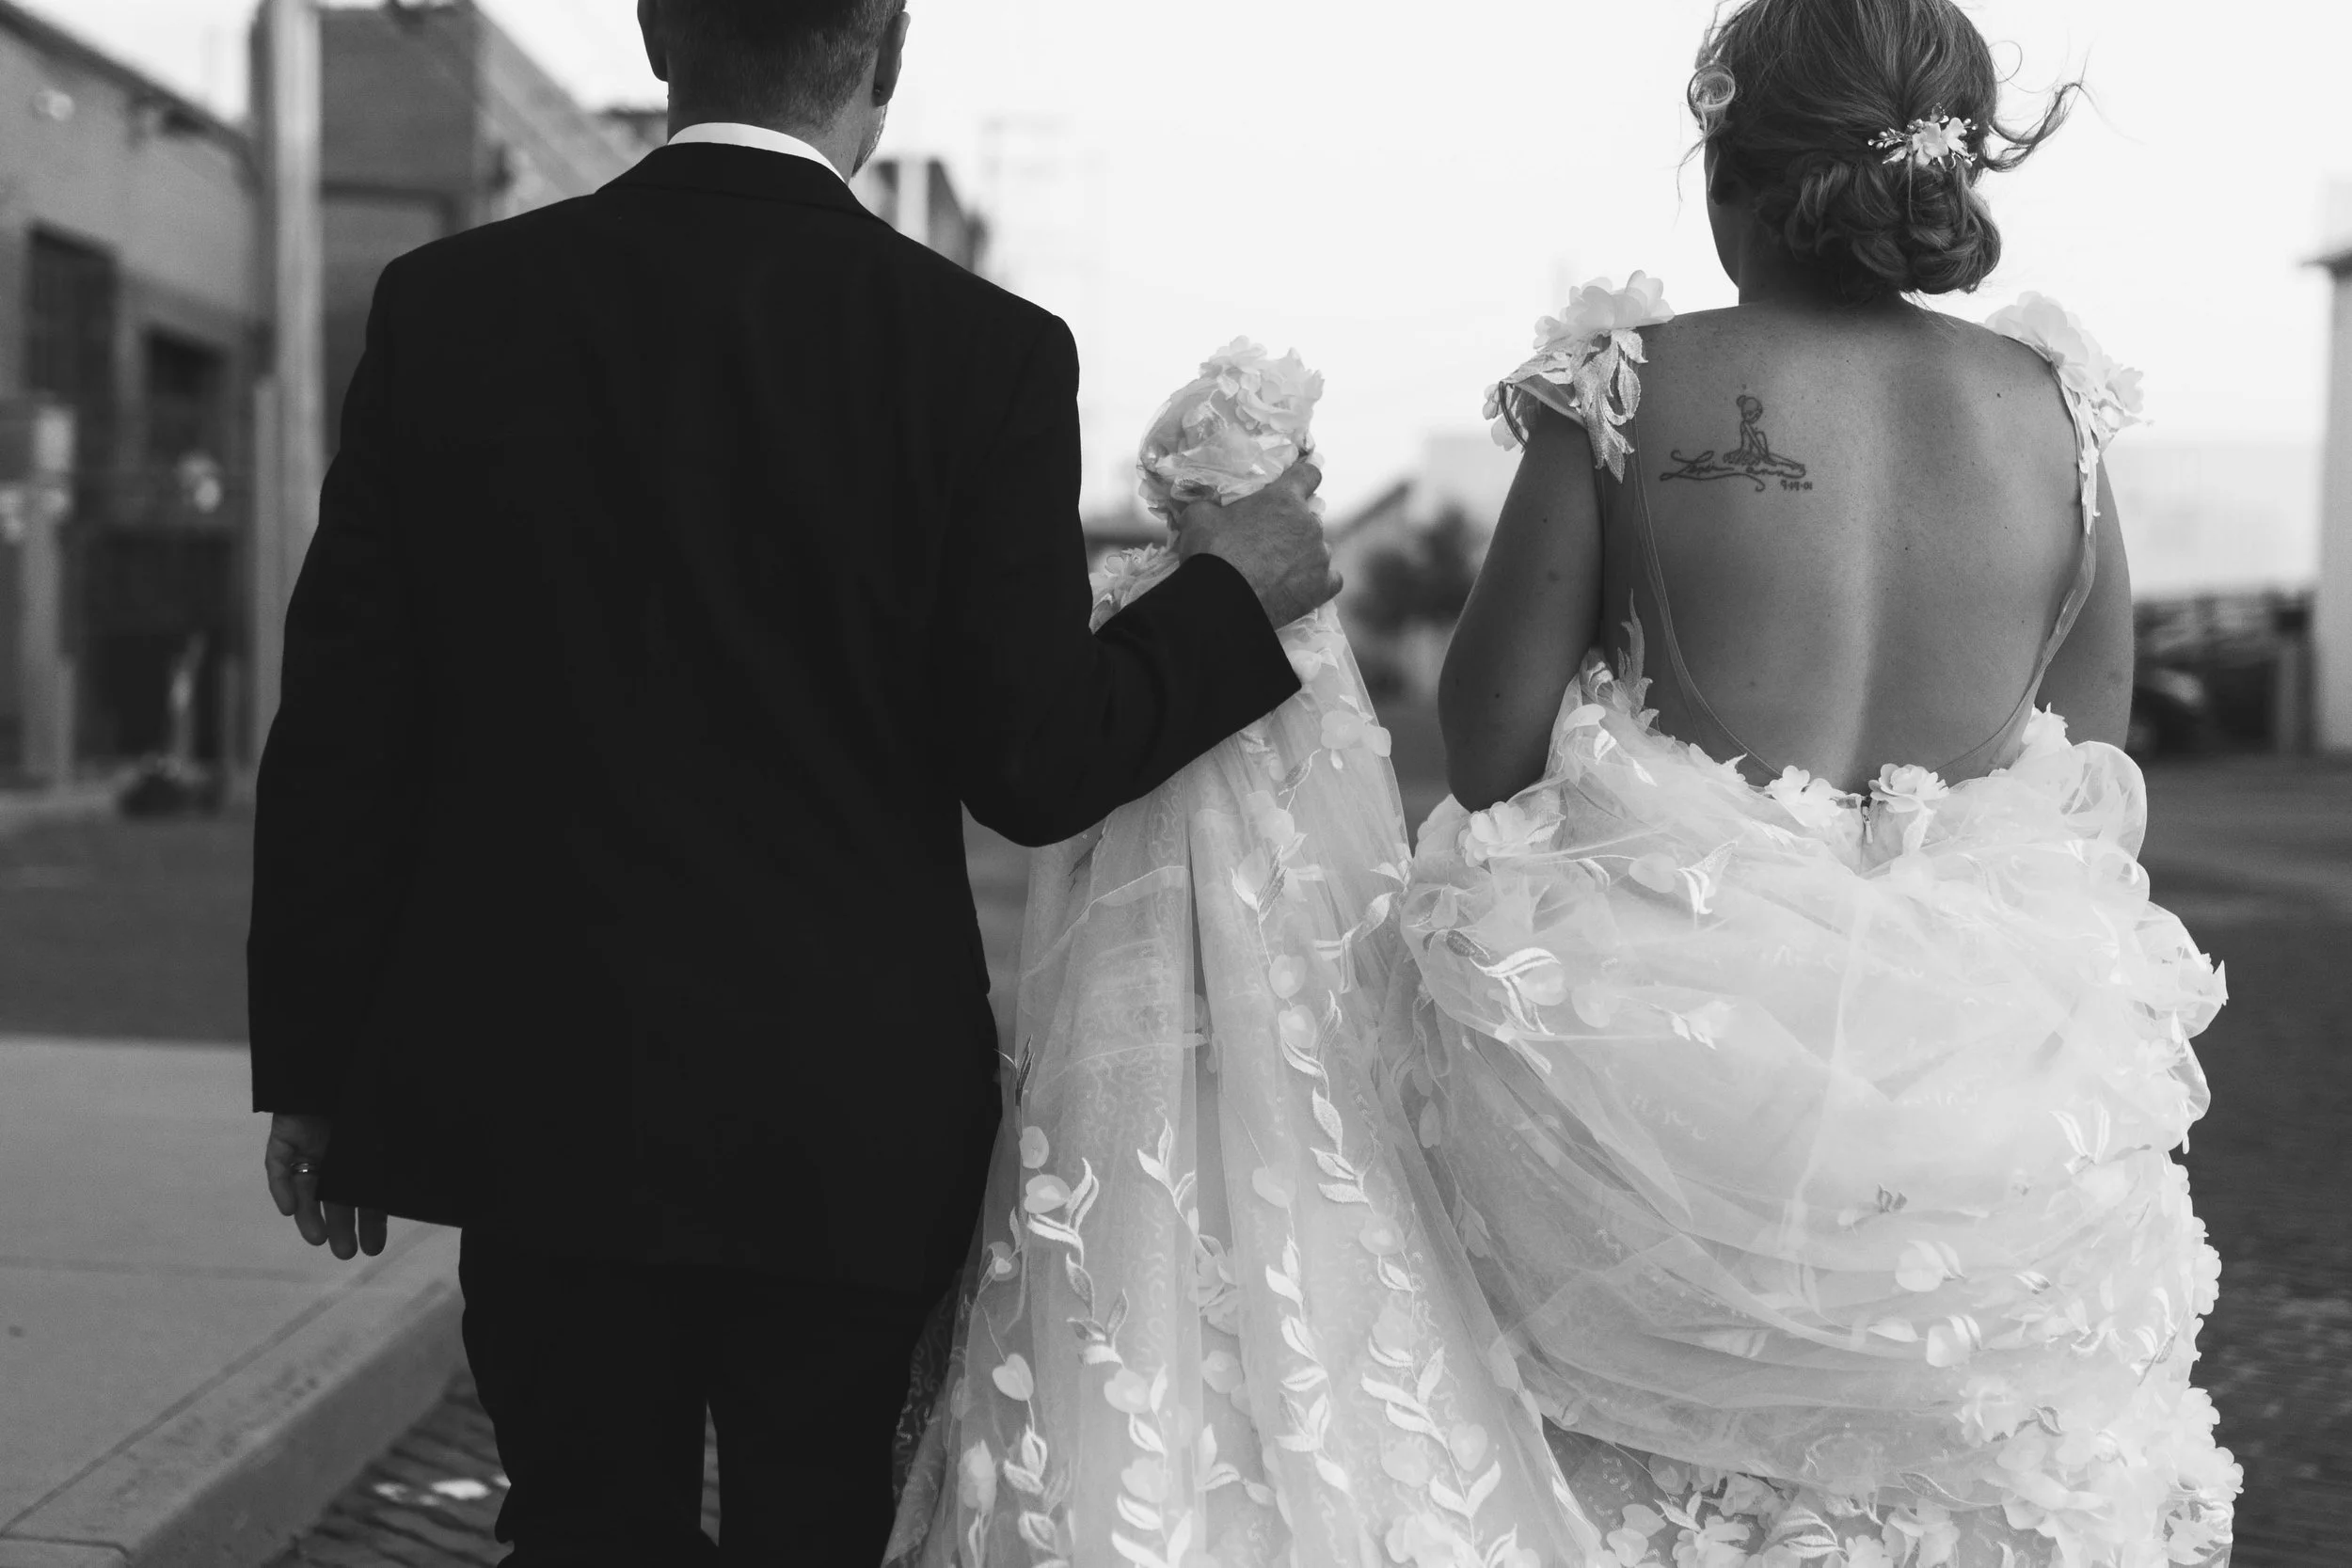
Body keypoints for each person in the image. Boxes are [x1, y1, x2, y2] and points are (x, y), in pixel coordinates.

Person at [893, 1, 2239, 1564]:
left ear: (1733, 172)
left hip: (1654, 1079)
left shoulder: (1631, 386)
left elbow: (1489, 743)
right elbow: (2085, 773)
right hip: (1978, 1112)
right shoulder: (2059, 416)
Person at [246, 1, 1336, 1561]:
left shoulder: (454, 308)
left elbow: (353, 716)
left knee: (579, 1523)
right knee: (821, 1527)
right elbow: (1035, 760)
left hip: (548, 1095)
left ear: (652, 33)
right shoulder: (986, 357)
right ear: (886, 60)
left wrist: (319, 1060)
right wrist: (1230, 594)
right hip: (848, 1118)